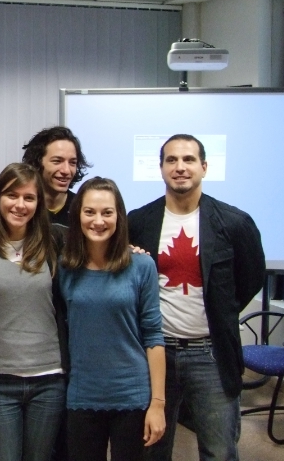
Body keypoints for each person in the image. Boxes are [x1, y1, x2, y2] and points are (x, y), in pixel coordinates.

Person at [128, 135, 266, 461]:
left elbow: (251, 278)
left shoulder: (234, 223)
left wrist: (221, 311)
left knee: (219, 451)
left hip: (211, 354)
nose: (180, 167)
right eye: (171, 160)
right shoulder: (139, 222)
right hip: (155, 353)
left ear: (204, 167)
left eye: (188, 159)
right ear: (161, 168)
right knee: (150, 449)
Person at [0, 163, 68, 461]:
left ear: (39, 203)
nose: (20, 205)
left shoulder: (55, 241)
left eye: (29, 198)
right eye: (12, 195)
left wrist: (134, 251)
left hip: (48, 378)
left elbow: (100, 249)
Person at [59, 177, 166, 461]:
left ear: (119, 216)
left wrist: (158, 404)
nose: (98, 221)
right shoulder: (65, 266)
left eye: (107, 212)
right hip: (82, 393)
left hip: (132, 395)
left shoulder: (142, 265)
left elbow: (153, 336)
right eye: (89, 212)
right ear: (77, 215)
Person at [22, 126, 91, 227]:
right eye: (57, 161)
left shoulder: (83, 209)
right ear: (37, 162)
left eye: (72, 162)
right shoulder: (22, 207)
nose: (66, 170)